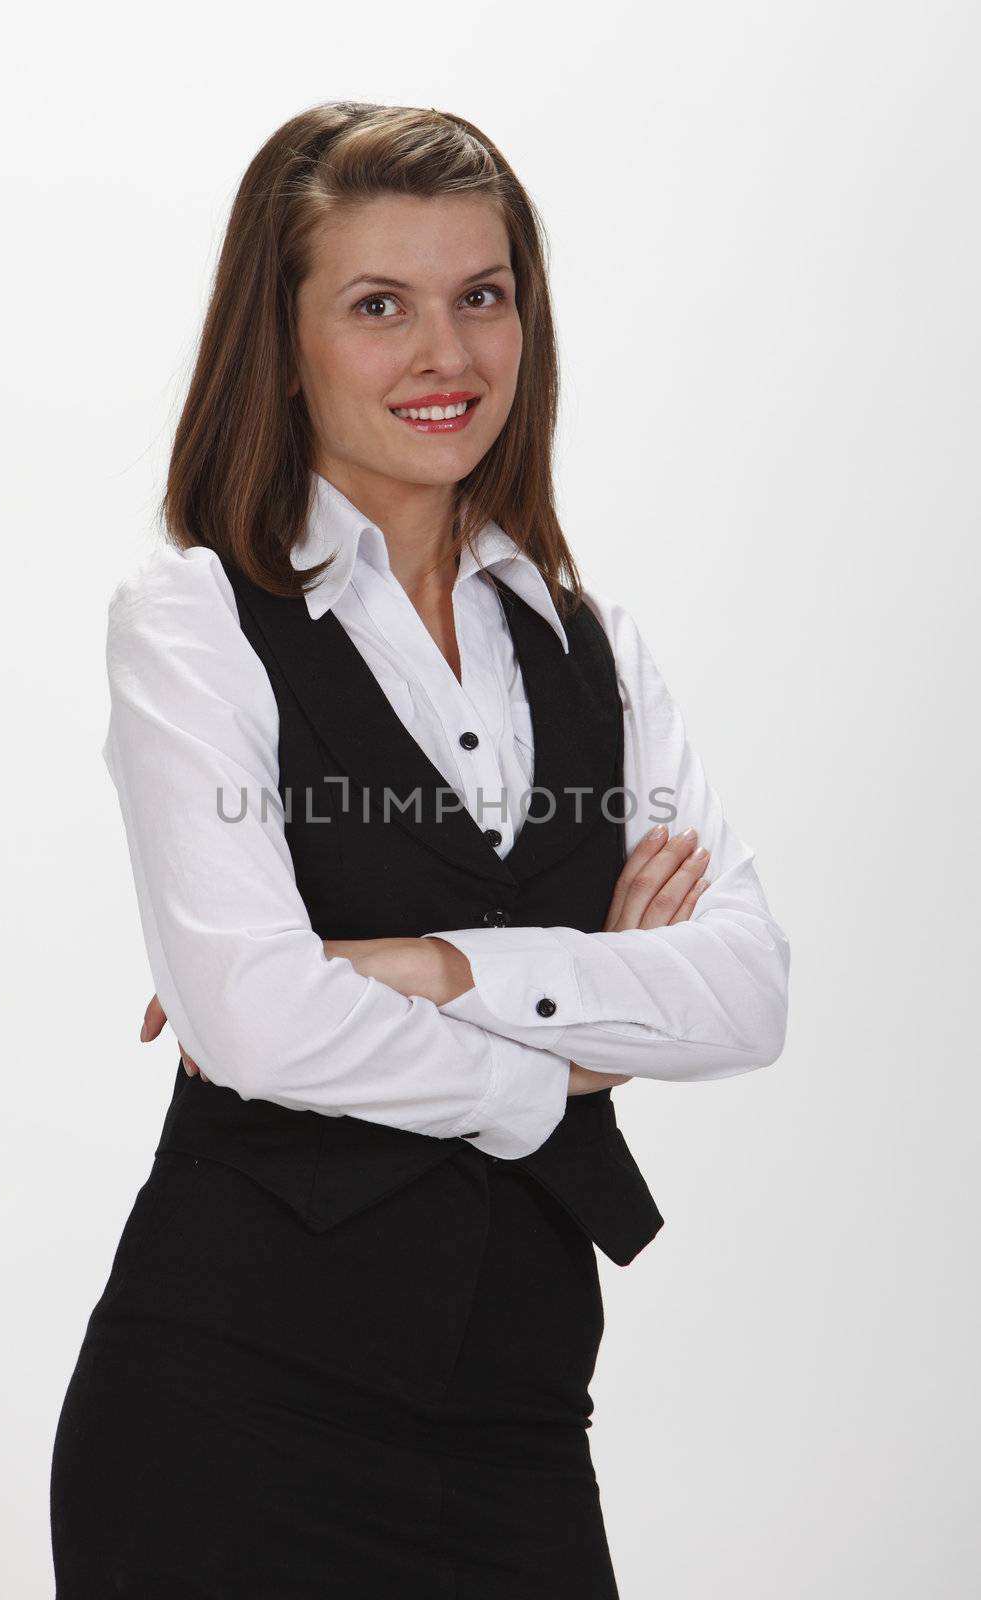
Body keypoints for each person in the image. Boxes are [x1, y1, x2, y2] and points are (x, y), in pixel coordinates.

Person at [49, 100, 790, 1599]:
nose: (445, 358)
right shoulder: (197, 624)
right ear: (288, 336)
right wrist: (574, 1042)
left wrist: (427, 965)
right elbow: (255, 1017)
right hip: (230, 1409)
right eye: (379, 305)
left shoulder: (598, 648)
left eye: (482, 297)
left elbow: (742, 992)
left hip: (517, 1418)